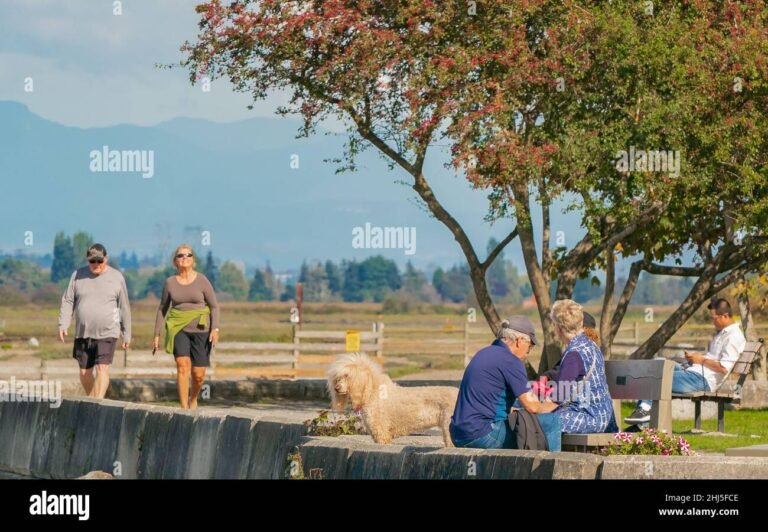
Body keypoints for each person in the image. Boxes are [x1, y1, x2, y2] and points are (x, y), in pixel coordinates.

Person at [625, 298, 746, 424]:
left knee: (657, 377)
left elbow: (724, 368)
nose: (713, 322)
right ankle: (641, 421)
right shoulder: (722, 334)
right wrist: (695, 359)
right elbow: (713, 359)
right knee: (657, 363)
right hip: (694, 371)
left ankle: (643, 412)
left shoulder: (734, 337)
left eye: (714, 318)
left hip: (702, 380)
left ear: (725, 316)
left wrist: (701, 360)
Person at [450, 316, 561, 451]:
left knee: (522, 419)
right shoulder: (511, 361)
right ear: (519, 341)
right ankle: (552, 469)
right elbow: (532, 406)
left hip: (458, 434)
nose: (528, 351)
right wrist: (555, 403)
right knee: (552, 422)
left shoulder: (483, 353)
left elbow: (491, 401)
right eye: (530, 346)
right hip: (483, 434)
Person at [58, 244, 131, 398]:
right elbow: (68, 300)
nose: (96, 265)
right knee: (84, 372)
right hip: (83, 332)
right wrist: (64, 323)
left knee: (102, 368)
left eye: (99, 261)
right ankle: (92, 401)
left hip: (108, 331)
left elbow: (124, 307)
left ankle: (98, 403)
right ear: (88, 260)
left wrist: (127, 333)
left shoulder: (117, 277)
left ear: (106, 258)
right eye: (92, 261)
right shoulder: (78, 275)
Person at [152, 245, 220, 409]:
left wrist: (215, 329)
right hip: (178, 329)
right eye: (180, 255)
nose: (184, 257)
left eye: (188, 255)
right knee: (182, 366)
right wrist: (156, 334)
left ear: (193, 260)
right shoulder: (170, 283)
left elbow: (214, 306)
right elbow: (162, 308)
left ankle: (193, 398)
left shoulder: (202, 280)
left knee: (198, 375)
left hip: (201, 330)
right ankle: (183, 409)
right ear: (175, 261)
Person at [547, 300, 617, 434]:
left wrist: (535, 408)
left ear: (558, 328)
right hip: (604, 415)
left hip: (590, 418)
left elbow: (559, 397)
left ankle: (550, 456)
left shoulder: (573, 354)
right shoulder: (591, 345)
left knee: (537, 423)